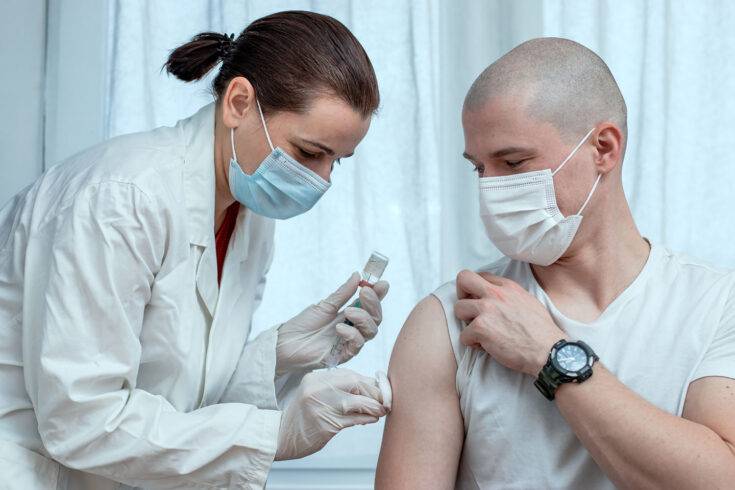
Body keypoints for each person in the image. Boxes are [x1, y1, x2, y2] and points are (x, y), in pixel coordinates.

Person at [0, 11, 392, 490]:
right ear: (239, 103)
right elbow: (83, 421)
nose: (322, 180)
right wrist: (274, 436)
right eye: (310, 153)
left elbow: (181, 397)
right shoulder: (122, 199)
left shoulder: (250, 215)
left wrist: (279, 357)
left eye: (337, 161)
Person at [375, 38, 735, 489]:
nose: (491, 188)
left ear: (603, 148)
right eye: (479, 168)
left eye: (512, 162)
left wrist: (551, 355)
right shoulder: (449, 320)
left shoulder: (718, 304)